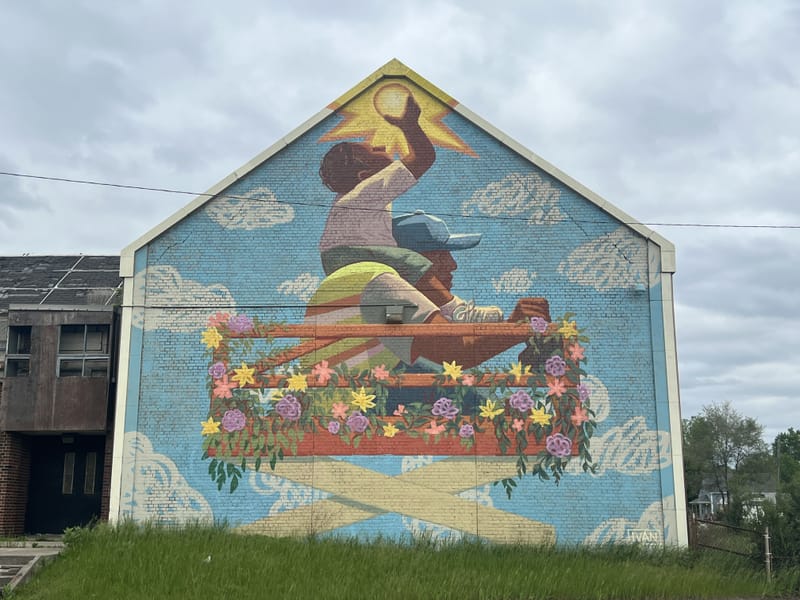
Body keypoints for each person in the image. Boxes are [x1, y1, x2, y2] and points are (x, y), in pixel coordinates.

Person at [318, 91, 502, 323]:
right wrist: (410, 125)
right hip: (349, 255)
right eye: (375, 150)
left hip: (340, 259)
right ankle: (456, 311)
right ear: (365, 175)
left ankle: (402, 319)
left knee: (400, 279)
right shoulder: (368, 189)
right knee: (410, 260)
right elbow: (423, 157)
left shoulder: (353, 197)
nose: (381, 145)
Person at [305, 211, 551, 372]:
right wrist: (515, 329)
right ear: (411, 258)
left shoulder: (378, 292)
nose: (452, 265)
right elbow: (452, 351)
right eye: (441, 256)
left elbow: (437, 339)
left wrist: (509, 326)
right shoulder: (383, 289)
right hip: (352, 409)